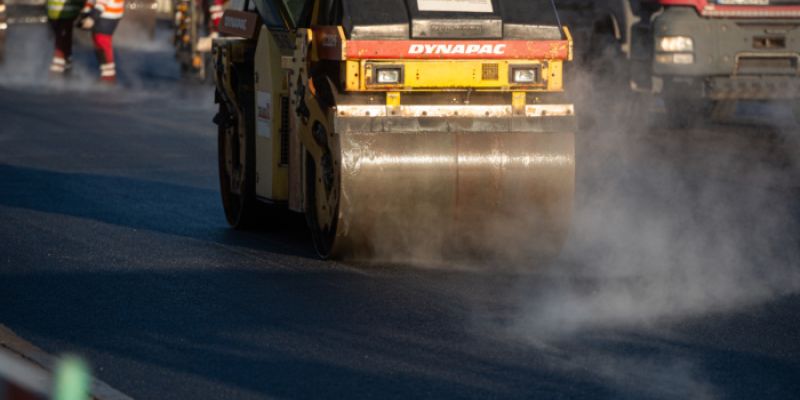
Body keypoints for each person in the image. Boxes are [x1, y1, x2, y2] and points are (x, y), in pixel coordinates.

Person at [77, 0, 125, 83]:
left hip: (108, 13)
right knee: (98, 41)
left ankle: (109, 77)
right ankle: (106, 75)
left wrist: (92, 17)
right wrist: (85, 13)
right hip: (104, 12)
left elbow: (102, 2)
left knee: (102, 41)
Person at [46, 0, 86, 76]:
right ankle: (58, 71)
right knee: (63, 42)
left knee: (61, 40)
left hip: (53, 13)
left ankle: (64, 69)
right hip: (66, 14)